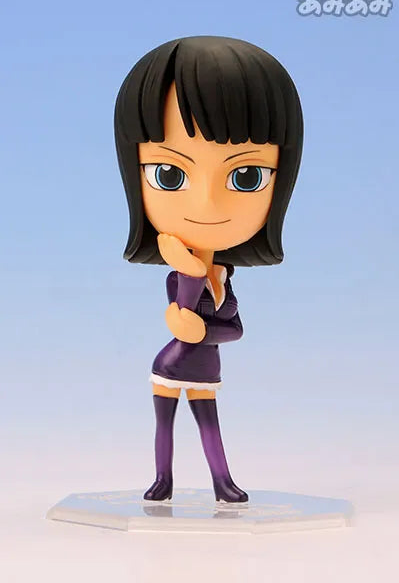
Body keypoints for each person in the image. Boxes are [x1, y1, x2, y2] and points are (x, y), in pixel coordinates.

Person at [114, 36, 303, 502]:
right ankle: (162, 481)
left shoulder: (224, 281)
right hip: (171, 364)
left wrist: (204, 327)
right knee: (165, 425)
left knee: (209, 426)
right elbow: (182, 319)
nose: (206, 206)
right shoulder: (180, 277)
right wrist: (189, 275)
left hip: (205, 364)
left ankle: (223, 482)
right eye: (169, 175)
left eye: (246, 177)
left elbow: (230, 330)